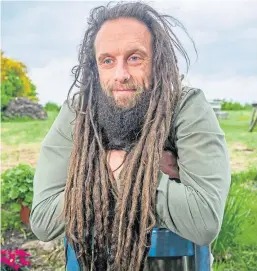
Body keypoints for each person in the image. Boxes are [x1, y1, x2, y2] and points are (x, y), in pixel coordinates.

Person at [30, 2, 231, 270]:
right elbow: (43, 221)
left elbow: (203, 221)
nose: (120, 75)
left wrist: (119, 170)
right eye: (108, 60)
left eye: (135, 58)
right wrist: (133, 168)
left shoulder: (187, 107)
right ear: (95, 66)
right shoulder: (77, 112)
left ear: (157, 61)